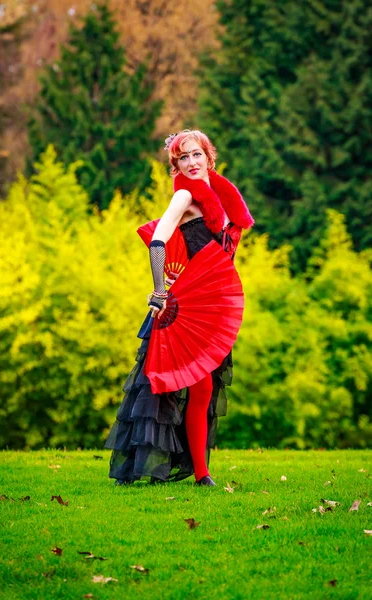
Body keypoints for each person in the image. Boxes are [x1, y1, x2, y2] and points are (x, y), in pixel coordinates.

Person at [105, 129, 254, 486]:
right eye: (182, 157)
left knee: (203, 389)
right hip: (182, 306)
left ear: (208, 157)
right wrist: (159, 290)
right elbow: (158, 239)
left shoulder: (220, 196)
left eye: (196, 155)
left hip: (210, 305)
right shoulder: (186, 196)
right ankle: (144, 468)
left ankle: (202, 473)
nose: (190, 162)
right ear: (176, 165)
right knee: (162, 387)